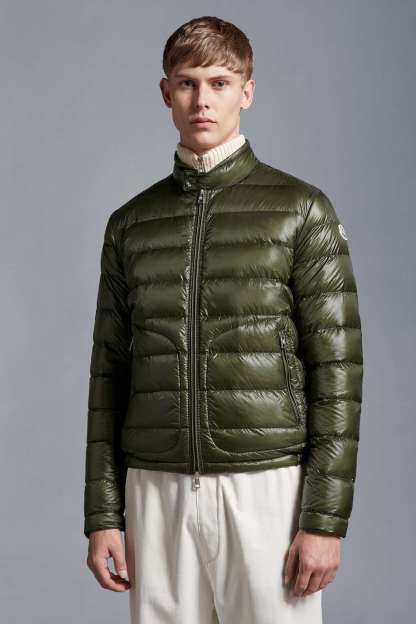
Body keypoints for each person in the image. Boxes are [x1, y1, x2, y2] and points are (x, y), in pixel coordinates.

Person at [84, 15, 363, 624]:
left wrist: (323, 520)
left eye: (219, 82)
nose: (202, 100)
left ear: (247, 91)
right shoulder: (130, 224)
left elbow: (337, 375)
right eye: (187, 83)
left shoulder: (301, 210)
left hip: (266, 486)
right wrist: (103, 515)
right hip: (155, 489)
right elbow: (109, 376)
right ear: (166, 93)